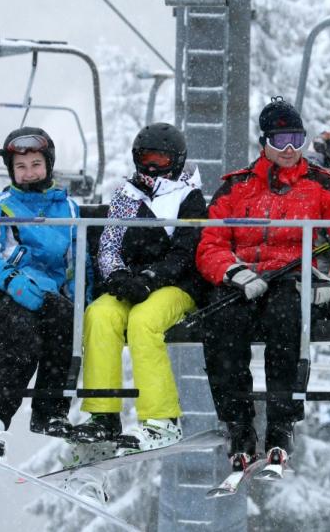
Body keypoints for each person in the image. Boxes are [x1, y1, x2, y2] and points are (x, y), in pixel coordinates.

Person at [197, 96, 330, 472]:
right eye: (281, 141)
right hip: (244, 279)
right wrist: (234, 273)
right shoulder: (237, 188)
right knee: (221, 322)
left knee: (287, 317)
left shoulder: (319, 186)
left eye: (297, 138)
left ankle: (281, 423)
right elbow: (210, 243)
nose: (290, 149)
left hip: (289, 277)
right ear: (264, 144)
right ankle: (238, 423)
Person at [69, 123, 206, 451]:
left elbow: (186, 251)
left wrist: (151, 278)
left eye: (160, 159)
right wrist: (118, 276)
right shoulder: (127, 195)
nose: (152, 167)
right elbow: (109, 244)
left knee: (144, 322)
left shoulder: (188, 197)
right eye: (146, 158)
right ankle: (103, 414)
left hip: (176, 286)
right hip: (133, 283)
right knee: (100, 315)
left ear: (175, 160)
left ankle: (162, 419)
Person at [0, 127, 86, 459]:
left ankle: (49, 412)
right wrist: (12, 281)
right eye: (21, 167)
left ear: (48, 164)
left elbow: (75, 261)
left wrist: (78, 300)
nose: (29, 173)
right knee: (23, 336)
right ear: (11, 171)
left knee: (65, 324)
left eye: (35, 164)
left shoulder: (68, 209)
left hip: (44, 295)